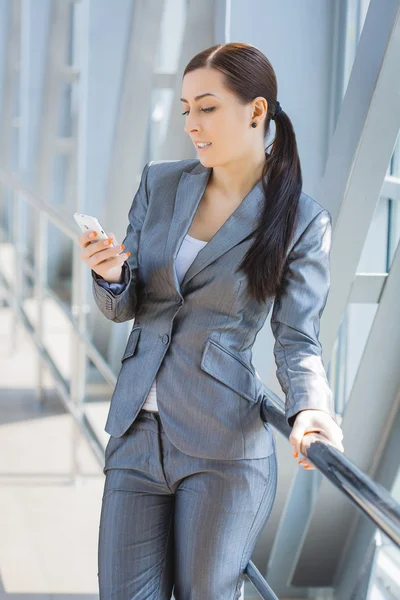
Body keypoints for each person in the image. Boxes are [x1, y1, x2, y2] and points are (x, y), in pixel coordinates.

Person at [79, 42, 344, 600]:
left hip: (222, 447)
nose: (191, 125)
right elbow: (127, 308)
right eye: (185, 110)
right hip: (134, 434)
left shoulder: (300, 219)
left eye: (207, 107)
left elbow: (298, 338)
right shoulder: (161, 183)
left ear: (256, 111)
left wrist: (312, 409)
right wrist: (110, 277)